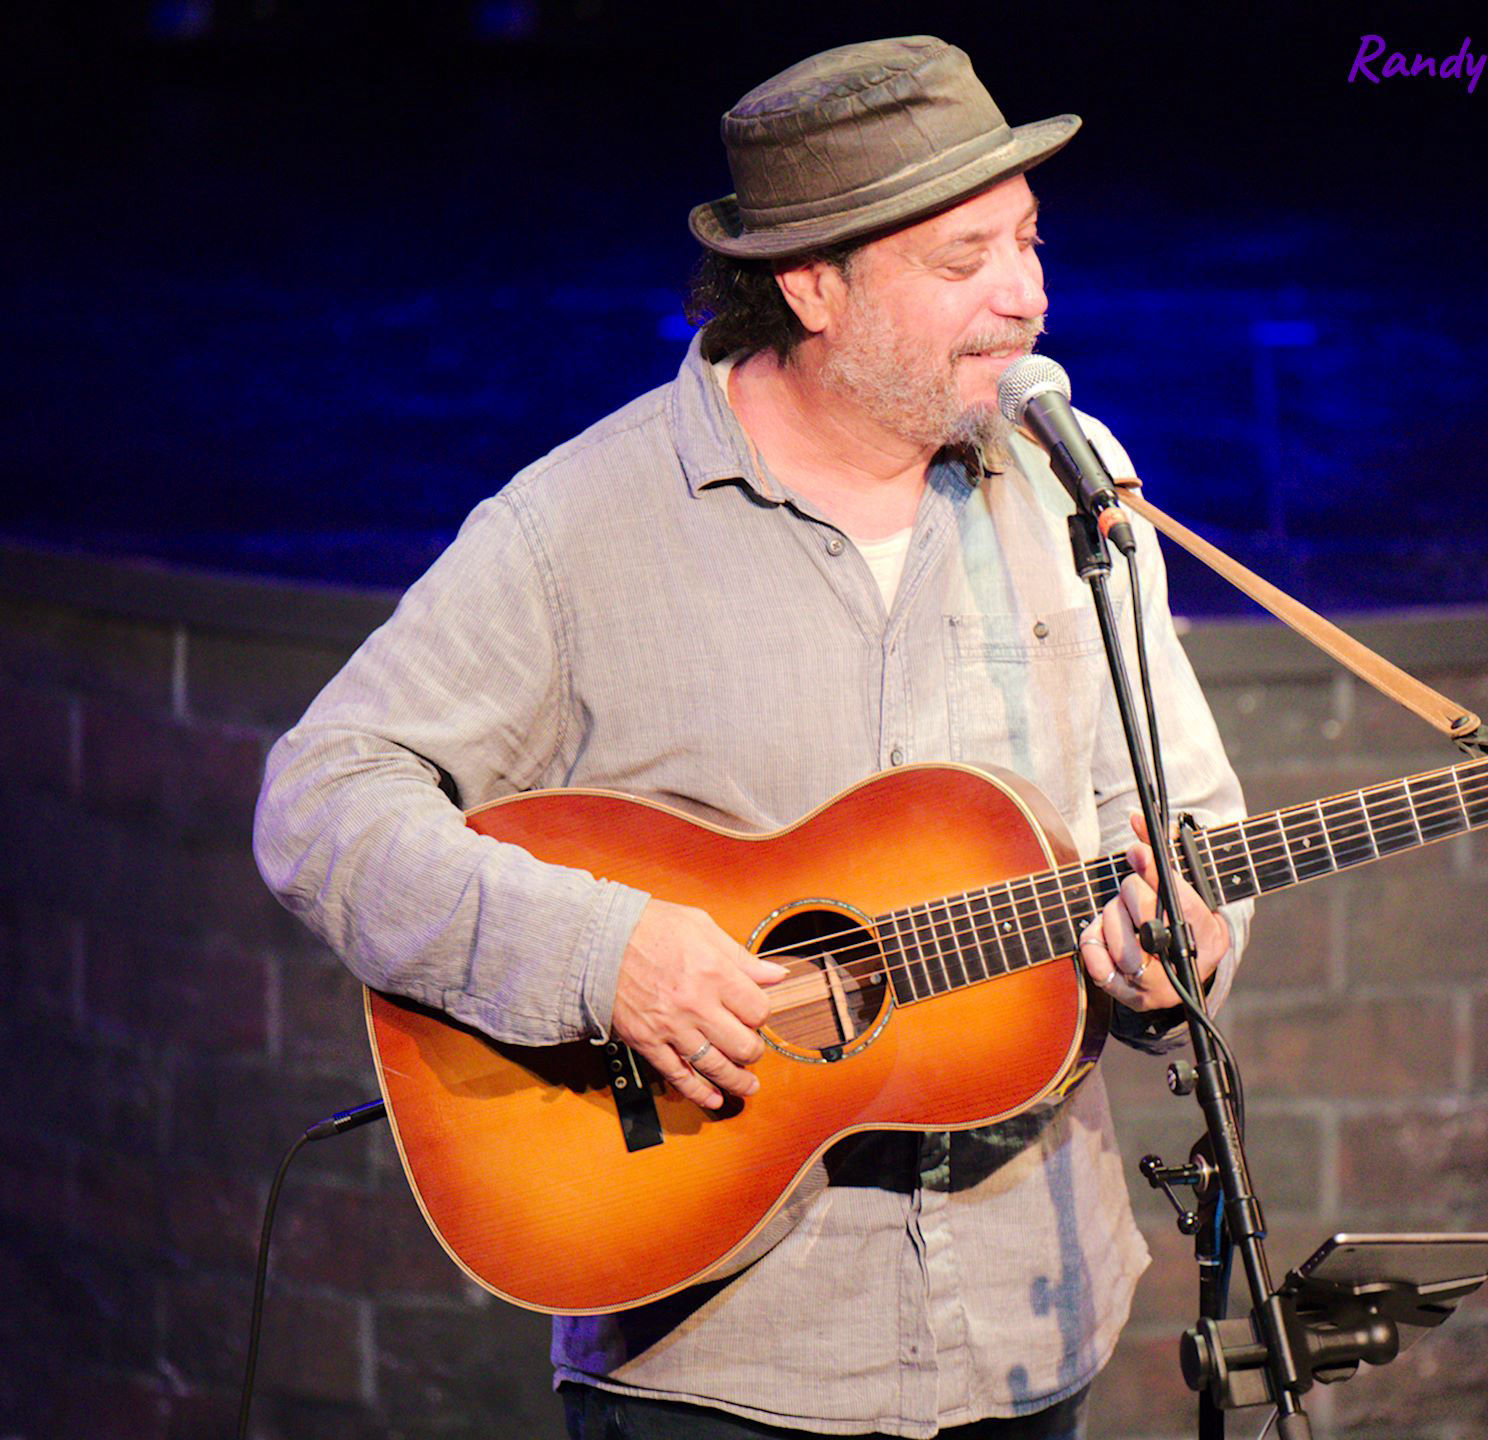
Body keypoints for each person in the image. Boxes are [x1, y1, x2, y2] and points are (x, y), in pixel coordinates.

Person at [254, 35, 1251, 1440]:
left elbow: (1190, 826)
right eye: (964, 262)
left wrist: (1187, 946)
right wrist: (601, 957)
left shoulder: (1075, 500)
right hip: (719, 1361)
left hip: (1032, 1335)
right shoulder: (580, 529)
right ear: (812, 284)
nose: (1027, 297)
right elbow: (320, 799)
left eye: (1029, 242)